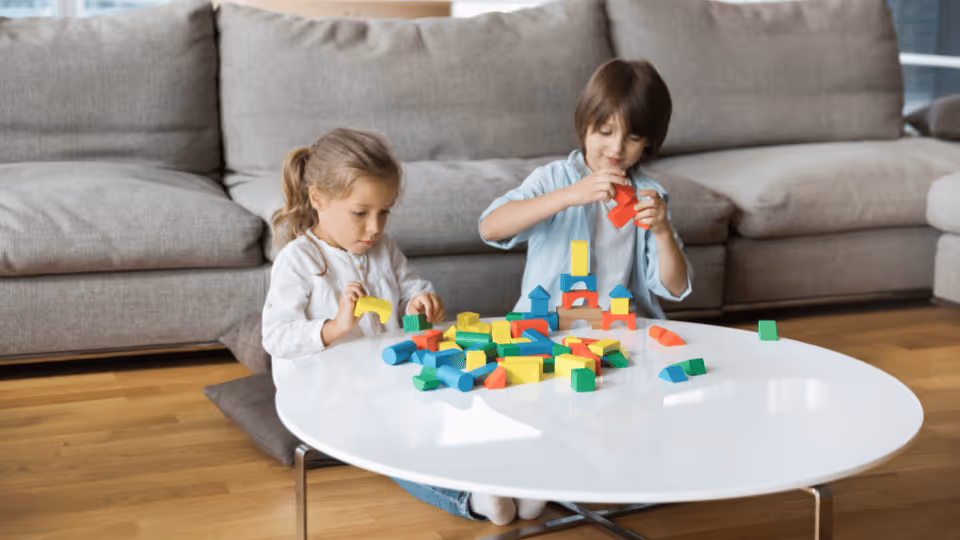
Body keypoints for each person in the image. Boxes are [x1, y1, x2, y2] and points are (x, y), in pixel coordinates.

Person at [479, 58, 692, 317]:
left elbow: (677, 287)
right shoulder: (553, 179)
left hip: (619, 329)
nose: (616, 148)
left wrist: (662, 232)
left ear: (648, 142)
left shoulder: (649, 196)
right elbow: (490, 228)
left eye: (633, 138)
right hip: (550, 327)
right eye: (605, 131)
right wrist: (568, 195)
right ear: (585, 124)